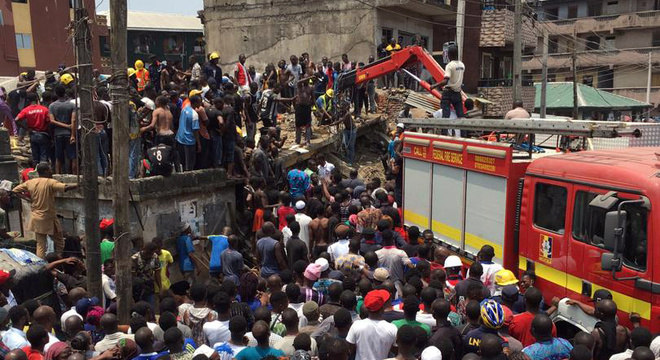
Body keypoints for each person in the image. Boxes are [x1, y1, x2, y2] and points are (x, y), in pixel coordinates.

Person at [12, 163, 77, 258]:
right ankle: (59, 260)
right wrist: (79, 184)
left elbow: (14, 190)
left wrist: (28, 199)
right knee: (59, 243)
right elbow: (65, 187)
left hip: (37, 217)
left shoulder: (30, 182)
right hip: (48, 217)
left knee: (41, 245)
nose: (51, 171)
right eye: (50, 169)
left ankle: (42, 264)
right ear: (46, 171)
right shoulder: (50, 182)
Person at [346, 289, 397, 360]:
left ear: (366, 307)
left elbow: (350, 349)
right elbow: (395, 351)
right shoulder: (392, 328)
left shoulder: (356, 325)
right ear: (382, 308)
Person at [432, 45, 464, 119]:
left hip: (448, 93)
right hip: (457, 92)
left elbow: (445, 81)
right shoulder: (462, 65)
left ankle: (445, 130)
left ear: (449, 55)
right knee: (461, 115)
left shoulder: (449, 66)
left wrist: (434, 85)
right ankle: (463, 130)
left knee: (445, 115)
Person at [176, 94, 202, 172]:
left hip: (180, 138)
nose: (200, 104)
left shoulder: (184, 109)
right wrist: (199, 143)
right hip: (189, 141)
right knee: (189, 163)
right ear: (195, 103)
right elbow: (195, 130)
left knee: (182, 162)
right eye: (199, 102)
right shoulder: (194, 114)